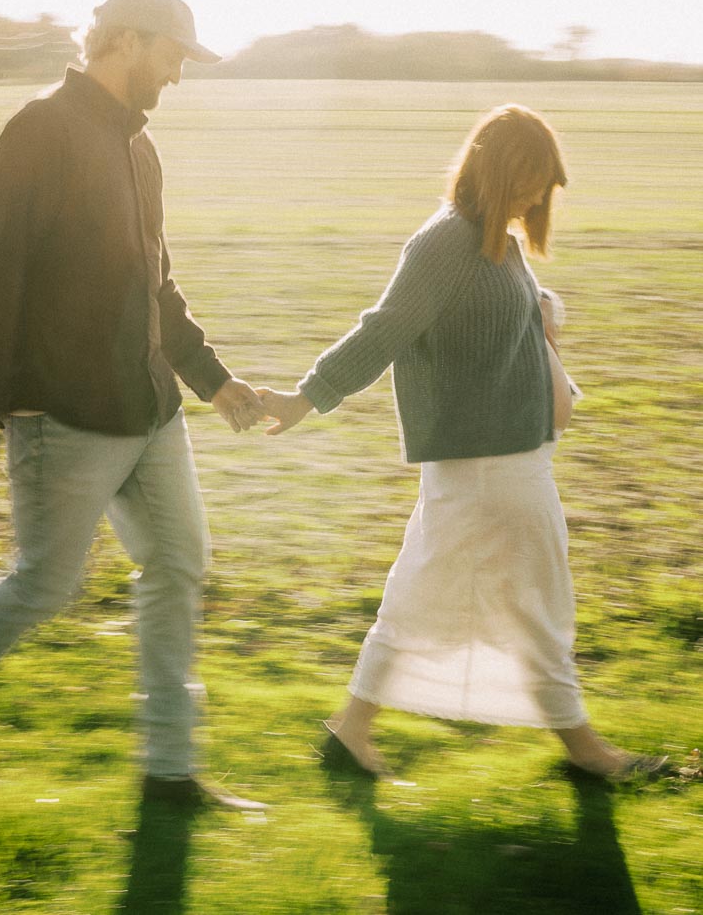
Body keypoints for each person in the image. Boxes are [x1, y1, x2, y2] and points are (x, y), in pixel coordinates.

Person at [0, 0, 267, 809]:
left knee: (180, 561)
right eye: (173, 57)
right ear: (124, 40)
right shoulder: (39, 131)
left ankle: (169, 770)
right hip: (64, 415)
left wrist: (214, 379)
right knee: (44, 586)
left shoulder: (138, 149)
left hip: (148, 409)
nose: (179, 77)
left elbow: (157, 287)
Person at [259, 104, 666, 782]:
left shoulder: (497, 243)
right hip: (487, 463)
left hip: (503, 456)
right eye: (530, 178)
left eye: (546, 184)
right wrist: (307, 397)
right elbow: (384, 331)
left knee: (425, 592)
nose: (538, 195)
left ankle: (352, 731)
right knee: (536, 599)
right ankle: (587, 753)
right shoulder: (447, 241)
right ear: (497, 168)